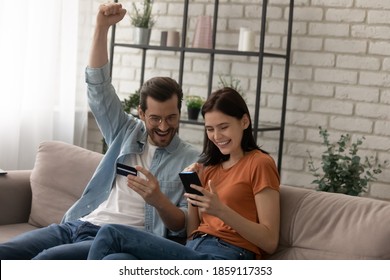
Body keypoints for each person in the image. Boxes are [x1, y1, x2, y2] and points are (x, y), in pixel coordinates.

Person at [0, 3, 199, 260]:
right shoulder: (125, 130)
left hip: (118, 239)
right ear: (141, 113)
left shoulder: (191, 160)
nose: (164, 126)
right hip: (78, 223)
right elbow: (98, 87)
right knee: (6, 252)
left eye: (171, 117)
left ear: (180, 111)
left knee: (44, 262)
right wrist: (101, 27)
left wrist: (158, 199)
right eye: (155, 118)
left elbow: (183, 224)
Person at [87, 87, 280, 260]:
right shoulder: (209, 168)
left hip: (227, 255)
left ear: (244, 121)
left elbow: (270, 242)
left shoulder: (260, 163)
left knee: (111, 233)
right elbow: (191, 233)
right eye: (210, 129)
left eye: (224, 127)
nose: (217, 136)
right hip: (195, 248)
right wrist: (192, 190)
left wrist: (221, 210)